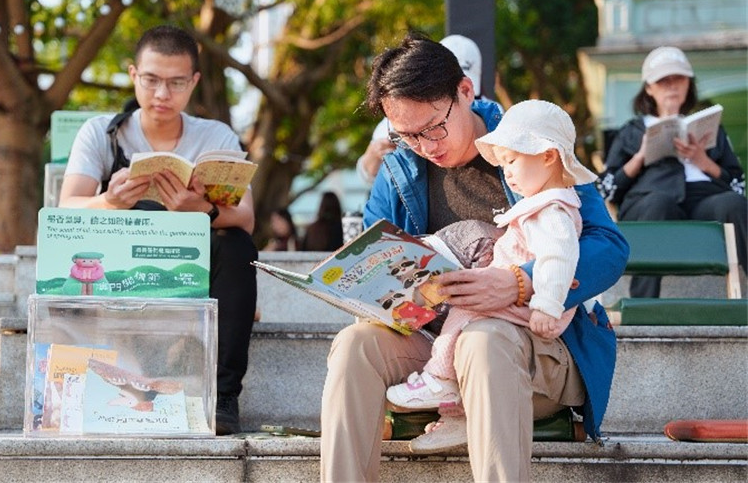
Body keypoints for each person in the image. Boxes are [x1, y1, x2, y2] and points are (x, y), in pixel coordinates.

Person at [319, 32, 628, 482]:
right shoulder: (398, 169)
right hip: (433, 349)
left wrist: (521, 282)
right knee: (355, 346)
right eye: (406, 135)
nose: (425, 146)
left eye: (433, 128)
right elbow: (375, 258)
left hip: (534, 345)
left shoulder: (528, 141)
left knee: (482, 340)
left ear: (465, 91)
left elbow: (609, 247)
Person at [59, 24, 257, 435]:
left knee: (237, 245)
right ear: (133, 75)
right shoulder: (102, 132)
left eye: (176, 82)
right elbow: (67, 206)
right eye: (151, 80)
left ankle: (221, 398)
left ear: (194, 82)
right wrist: (109, 201)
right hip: (117, 265)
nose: (162, 94)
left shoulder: (214, 135)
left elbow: (246, 216)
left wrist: (198, 207)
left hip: (184, 265)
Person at [386, 100, 598, 422]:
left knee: (462, 311)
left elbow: (558, 257)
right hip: (526, 301)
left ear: (548, 156)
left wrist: (548, 305)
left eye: (512, 160)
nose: (507, 171)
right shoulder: (545, 205)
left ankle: (439, 378)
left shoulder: (550, 211)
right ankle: (454, 404)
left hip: (530, 306)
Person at [599, 46, 746, 298]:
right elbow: (606, 188)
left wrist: (702, 160)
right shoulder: (632, 131)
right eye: (663, 81)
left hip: (705, 198)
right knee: (659, 203)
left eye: (678, 79)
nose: (672, 86)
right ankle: (643, 305)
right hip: (650, 197)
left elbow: (738, 185)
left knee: (734, 204)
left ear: (689, 84)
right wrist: (640, 157)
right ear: (649, 88)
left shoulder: (712, 129)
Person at [355, 34, 486, 185]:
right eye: (409, 136)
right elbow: (369, 176)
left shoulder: (504, 128)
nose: (427, 148)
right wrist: (373, 159)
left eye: (436, 126)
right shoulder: (396, 119)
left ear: (466, 90)